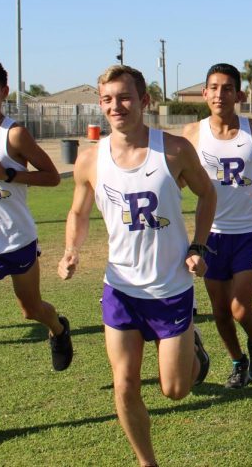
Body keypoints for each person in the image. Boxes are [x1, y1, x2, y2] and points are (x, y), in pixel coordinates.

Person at [57, 65, 216, 467]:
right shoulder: (90, 160)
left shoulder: (175, 150)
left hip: (170, 287)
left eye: (125, 97)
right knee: (124, 385)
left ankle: (193, 351)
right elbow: (77, 213)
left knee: (176, 390)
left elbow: (207, 194)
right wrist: (71, 249)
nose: (116, 106)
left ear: (144, 101)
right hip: (121, 288)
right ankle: (147, 462)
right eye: (108, 99)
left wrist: (199, 245)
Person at [0, 53, 73, 440]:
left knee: (31, 310)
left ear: (4, 92)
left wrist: (9, 172)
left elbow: (53, 177)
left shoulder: (15, 135)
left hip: (16, 240)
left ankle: (58, 328)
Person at [182, 63, 252, 389]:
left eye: (227, 88)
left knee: (240, 308)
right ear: (204, 93)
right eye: (213, 87)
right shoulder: (192, 134)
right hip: (210, 235)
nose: (219, 94)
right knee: (221, 313)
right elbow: (179, 177)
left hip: (249, 231)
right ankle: (239, 362)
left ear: (238, 94)